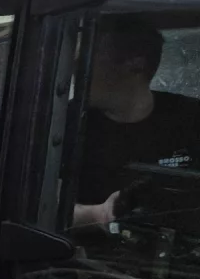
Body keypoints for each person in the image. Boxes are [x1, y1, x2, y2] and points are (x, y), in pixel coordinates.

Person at [72, 15, 198, 228]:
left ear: (135, 64)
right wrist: (97, 214)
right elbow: (37, 209)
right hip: (86, 257)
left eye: (84, 60)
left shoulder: (192, 118)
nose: (75, 72)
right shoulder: (63, 124)